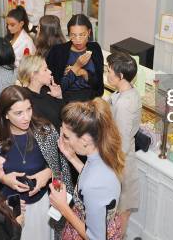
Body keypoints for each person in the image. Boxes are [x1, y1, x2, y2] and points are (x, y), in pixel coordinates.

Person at [0, 85, 73, 240]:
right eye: (18, 113)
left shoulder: (46, 131)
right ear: (6, 115)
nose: (26, 117)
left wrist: (49, 173)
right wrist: (3, 178)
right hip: (6, 208)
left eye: (29, 109)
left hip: (41, 207)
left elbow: (61, 167)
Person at [48, 99, 125, 240]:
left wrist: (63, 207)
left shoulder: (96, 185)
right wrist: (71, 157)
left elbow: (96, 238)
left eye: (66, 136)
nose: (63, 140)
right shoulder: (100, 155)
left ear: (84, 140)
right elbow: (90, 173)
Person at [106, 52, 141, 231]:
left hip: (121, 164)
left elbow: (123, 143)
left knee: (121, 213)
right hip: (121, 161)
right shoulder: (128, 90)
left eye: (109, 71)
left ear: (120, 76)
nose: (107, 73)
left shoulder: (124, 104)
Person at [46, 14, 103, 102]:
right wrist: (76, 66)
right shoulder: (58, 51)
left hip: (91, 99)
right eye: (73, 35)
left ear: (89, 32)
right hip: (66, 100)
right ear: (68, 34)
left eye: (82, 35)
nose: (77, 39)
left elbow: (98, 85)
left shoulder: (95, 48)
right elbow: (56, 88)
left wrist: (83, 72)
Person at [17, 55, 64, 131]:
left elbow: (64, 118)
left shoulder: (48, 91)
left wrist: (59, 97)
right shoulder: (24, 98)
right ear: (33, 74)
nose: (50, 72)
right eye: (45, 69)